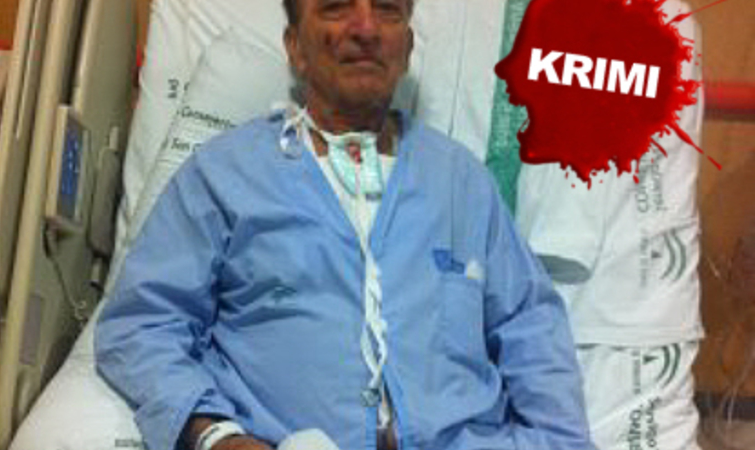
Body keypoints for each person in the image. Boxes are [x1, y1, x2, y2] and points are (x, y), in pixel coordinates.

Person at [95, 1, 596, 450]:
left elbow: (531, 325)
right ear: (296, 47)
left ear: (407, 47)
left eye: (388, 10)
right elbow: (142, 323)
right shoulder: (225, 176)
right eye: (336, 7)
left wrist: (555, 440)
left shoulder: (460, 182)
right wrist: (215, 435)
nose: (366, 28)